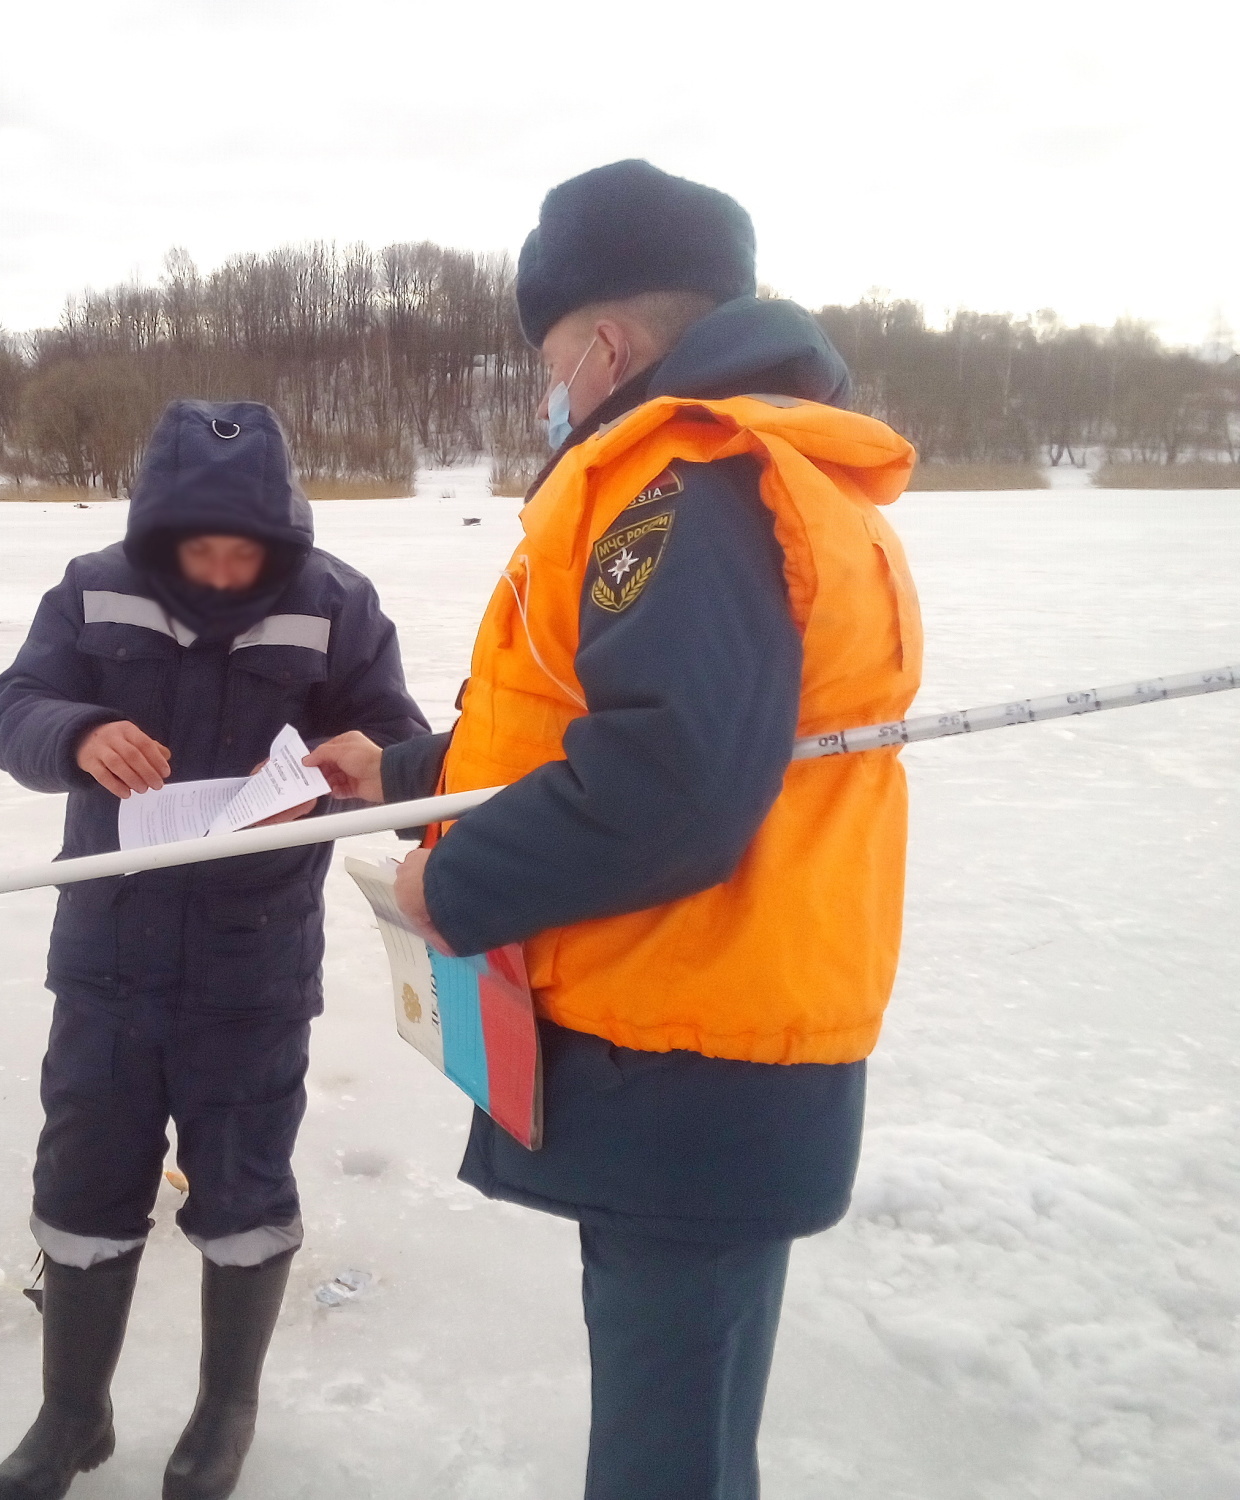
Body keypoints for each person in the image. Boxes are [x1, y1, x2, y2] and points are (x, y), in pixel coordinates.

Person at [307, 160, 923, 1500]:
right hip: (698, 1039)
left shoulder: (684, 484)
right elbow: (588, 719)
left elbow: (670, 786)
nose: (549, 391)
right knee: (679, 1424)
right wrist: (404, 768)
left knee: (667, 1454)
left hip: (693, 1046)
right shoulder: (721, 468)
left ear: (607, 343)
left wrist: (449, 887)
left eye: (548, 359)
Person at [0, 399, 427, 1500]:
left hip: (254, 967)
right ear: (157, 533)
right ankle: (71, 1414)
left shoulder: (335, 603)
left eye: (248, 551)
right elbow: (15, 710)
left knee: (242, 1188)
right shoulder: (91, 590)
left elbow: (399, 746)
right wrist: (78, 735)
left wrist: (360, 764)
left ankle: (224, 1409)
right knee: (83, 1181)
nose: (226, 572)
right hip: (107, 958)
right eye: (200, 548)